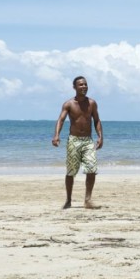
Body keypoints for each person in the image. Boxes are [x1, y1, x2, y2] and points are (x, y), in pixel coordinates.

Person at [51, 75, 104, 209]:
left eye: (85, 84)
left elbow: (97, 120)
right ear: (74, 87)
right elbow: (61, 120)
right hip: (73, 140)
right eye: (80, 85)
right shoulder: (68, 104)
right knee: (71, 172)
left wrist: (100, 136)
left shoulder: (92, 103)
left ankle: (88, 200)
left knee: (92, 169)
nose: (84, 87)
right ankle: (68, 200)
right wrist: (56, 135)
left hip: (88, 141)